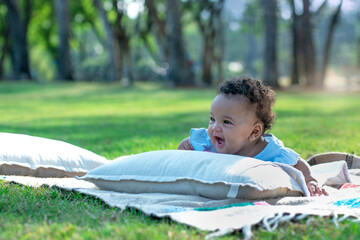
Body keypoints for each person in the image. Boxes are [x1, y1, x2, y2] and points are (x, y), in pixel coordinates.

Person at [178, 76, 328, 196]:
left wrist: (309, 180)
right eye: (212, 119)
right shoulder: (207, 140)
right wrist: (185, 147)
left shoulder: (270, 152)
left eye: (226, 122)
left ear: (254, 132)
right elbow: (186, 150)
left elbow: (298, 163)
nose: (215, 127)